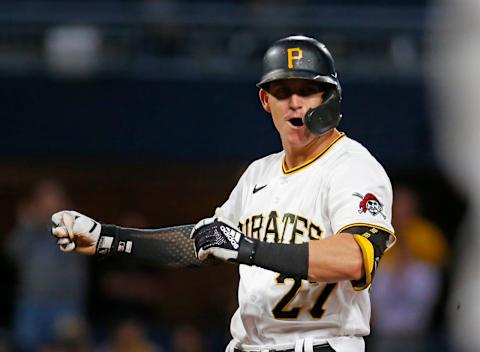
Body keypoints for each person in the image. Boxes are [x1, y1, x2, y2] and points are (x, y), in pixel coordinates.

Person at [50, 35, 395, 352]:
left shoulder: (352, 166)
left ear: (329, 98)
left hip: (320, 344)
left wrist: (248, 249)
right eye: (281, 90)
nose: (294, 102)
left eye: (306, 90)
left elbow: (354, 257)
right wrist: (108, 238)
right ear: (265, 100)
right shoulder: (258, 174)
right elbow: (205, 241)